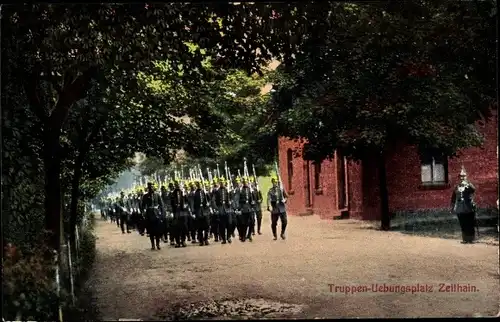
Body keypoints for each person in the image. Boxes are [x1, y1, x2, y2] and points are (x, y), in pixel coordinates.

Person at [451, 166, 477, 244]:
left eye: (463, 176)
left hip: (468, 207)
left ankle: (471, 239)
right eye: (461, 176)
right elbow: (453, 198)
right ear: (459, 177)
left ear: (466, 177)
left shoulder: (468, 185)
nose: (462, 178)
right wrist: (452, 207)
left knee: (470, 223)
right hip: (460, 208)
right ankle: (465, 239)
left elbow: (473, 189)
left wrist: (468, 183)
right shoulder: (457, 187)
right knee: (462, 223)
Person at [141, 182, 165, 250]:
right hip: (149, 214)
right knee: (151, 231)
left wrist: (162, 212)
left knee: (157, 230)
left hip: (157, 214)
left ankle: (158, 244)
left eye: (152, 187)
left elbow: (161, 204)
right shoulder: (145, 196)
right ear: (148, 188)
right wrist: (143, 212)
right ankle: (153, 245)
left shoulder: (157, 195)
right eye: (150, 187)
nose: (151, 188)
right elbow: (142, 206)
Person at [170, 180, 189, 248]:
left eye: (178, 185)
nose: (177, 186)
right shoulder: (172, 193)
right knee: (176, 227)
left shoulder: (183, 192)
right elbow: (170, 204)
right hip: (176, 212)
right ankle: (177, 242)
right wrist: (171, 212)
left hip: (182, 211)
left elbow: (187, 201)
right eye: (176, 185)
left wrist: (185, 205)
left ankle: (183, 241)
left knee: (183, 226)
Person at [215, 178, 233, 244]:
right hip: (221, 209)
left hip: (227, 208)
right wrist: (217, 208)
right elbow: (215, 200)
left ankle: (228, 236)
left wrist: (230, 201)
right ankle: (223, 239)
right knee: (222, 225)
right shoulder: (217, 191)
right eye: (221, 182)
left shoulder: (227, 190)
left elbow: (231, 198)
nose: (222, 183)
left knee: (230, 223)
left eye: (223, 182)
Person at [237, 177, 255, 242]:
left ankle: (249, 235)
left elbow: (252, 199)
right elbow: (238, 200)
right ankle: (243, 236)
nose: (245, 183)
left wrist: (253, 203)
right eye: (244, 182)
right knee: (244, 223)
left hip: (249, 208)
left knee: (252, 222)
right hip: (243, 208)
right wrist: (239, 208)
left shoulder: (250, 189)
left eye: (246, 182)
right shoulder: (241, 190)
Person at [194, 180, 211, 246]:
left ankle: (206, 239)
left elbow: (209, 200)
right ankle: (201, 240)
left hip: (205, 210)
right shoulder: (196, 193)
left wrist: (208, 203)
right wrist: (195, 212)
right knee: (200, 227)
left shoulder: (204, 192)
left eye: (199, 184)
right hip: (199, 211)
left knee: (207, 226)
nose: (199, 186)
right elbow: (195, 203)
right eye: (197, 185)